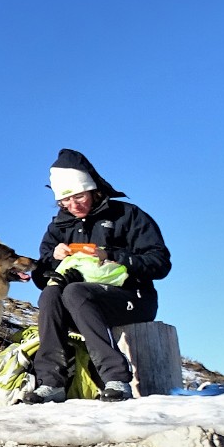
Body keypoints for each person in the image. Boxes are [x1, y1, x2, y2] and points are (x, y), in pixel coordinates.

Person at [25, 149, 171, 403]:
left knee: (74, 291)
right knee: (51, 293)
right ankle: (50, 382)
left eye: (79, 196)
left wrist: (113, 255)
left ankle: (115, 378)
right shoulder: (59, 228)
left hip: (132, 299)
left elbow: (160, 264)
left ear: (92, 189)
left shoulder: (126, 215)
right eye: (64, 202)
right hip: (78, 309)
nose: (73, 206)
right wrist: (51, 260)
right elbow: (41, 279)